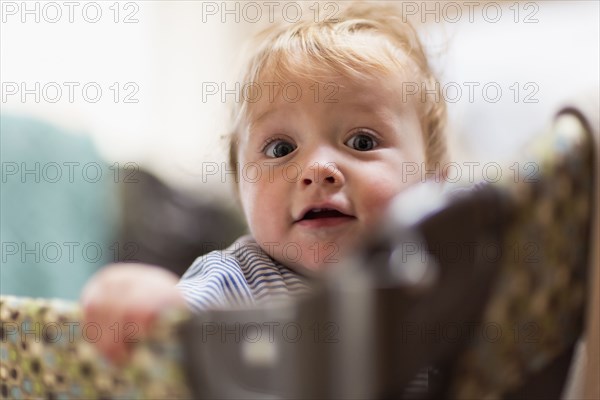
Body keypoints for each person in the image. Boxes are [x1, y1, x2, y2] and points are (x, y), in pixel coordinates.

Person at [80, 1, 447, 364]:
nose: (317, 169)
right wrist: (149, 300)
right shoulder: (241, 279)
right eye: (281, 148)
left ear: (435, 181)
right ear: (241, 186)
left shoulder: (447, 277)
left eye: (362, 142)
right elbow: (186, 320)